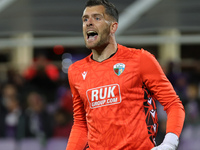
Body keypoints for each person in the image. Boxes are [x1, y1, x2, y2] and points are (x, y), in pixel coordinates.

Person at [66, 0, 185, 149]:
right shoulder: (75, 70)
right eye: (85, 19)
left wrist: (170, 143)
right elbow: (80, 124)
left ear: (113, 27)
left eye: (97, 18)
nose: (89, 23)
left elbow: (173, 104)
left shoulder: (140, 59)